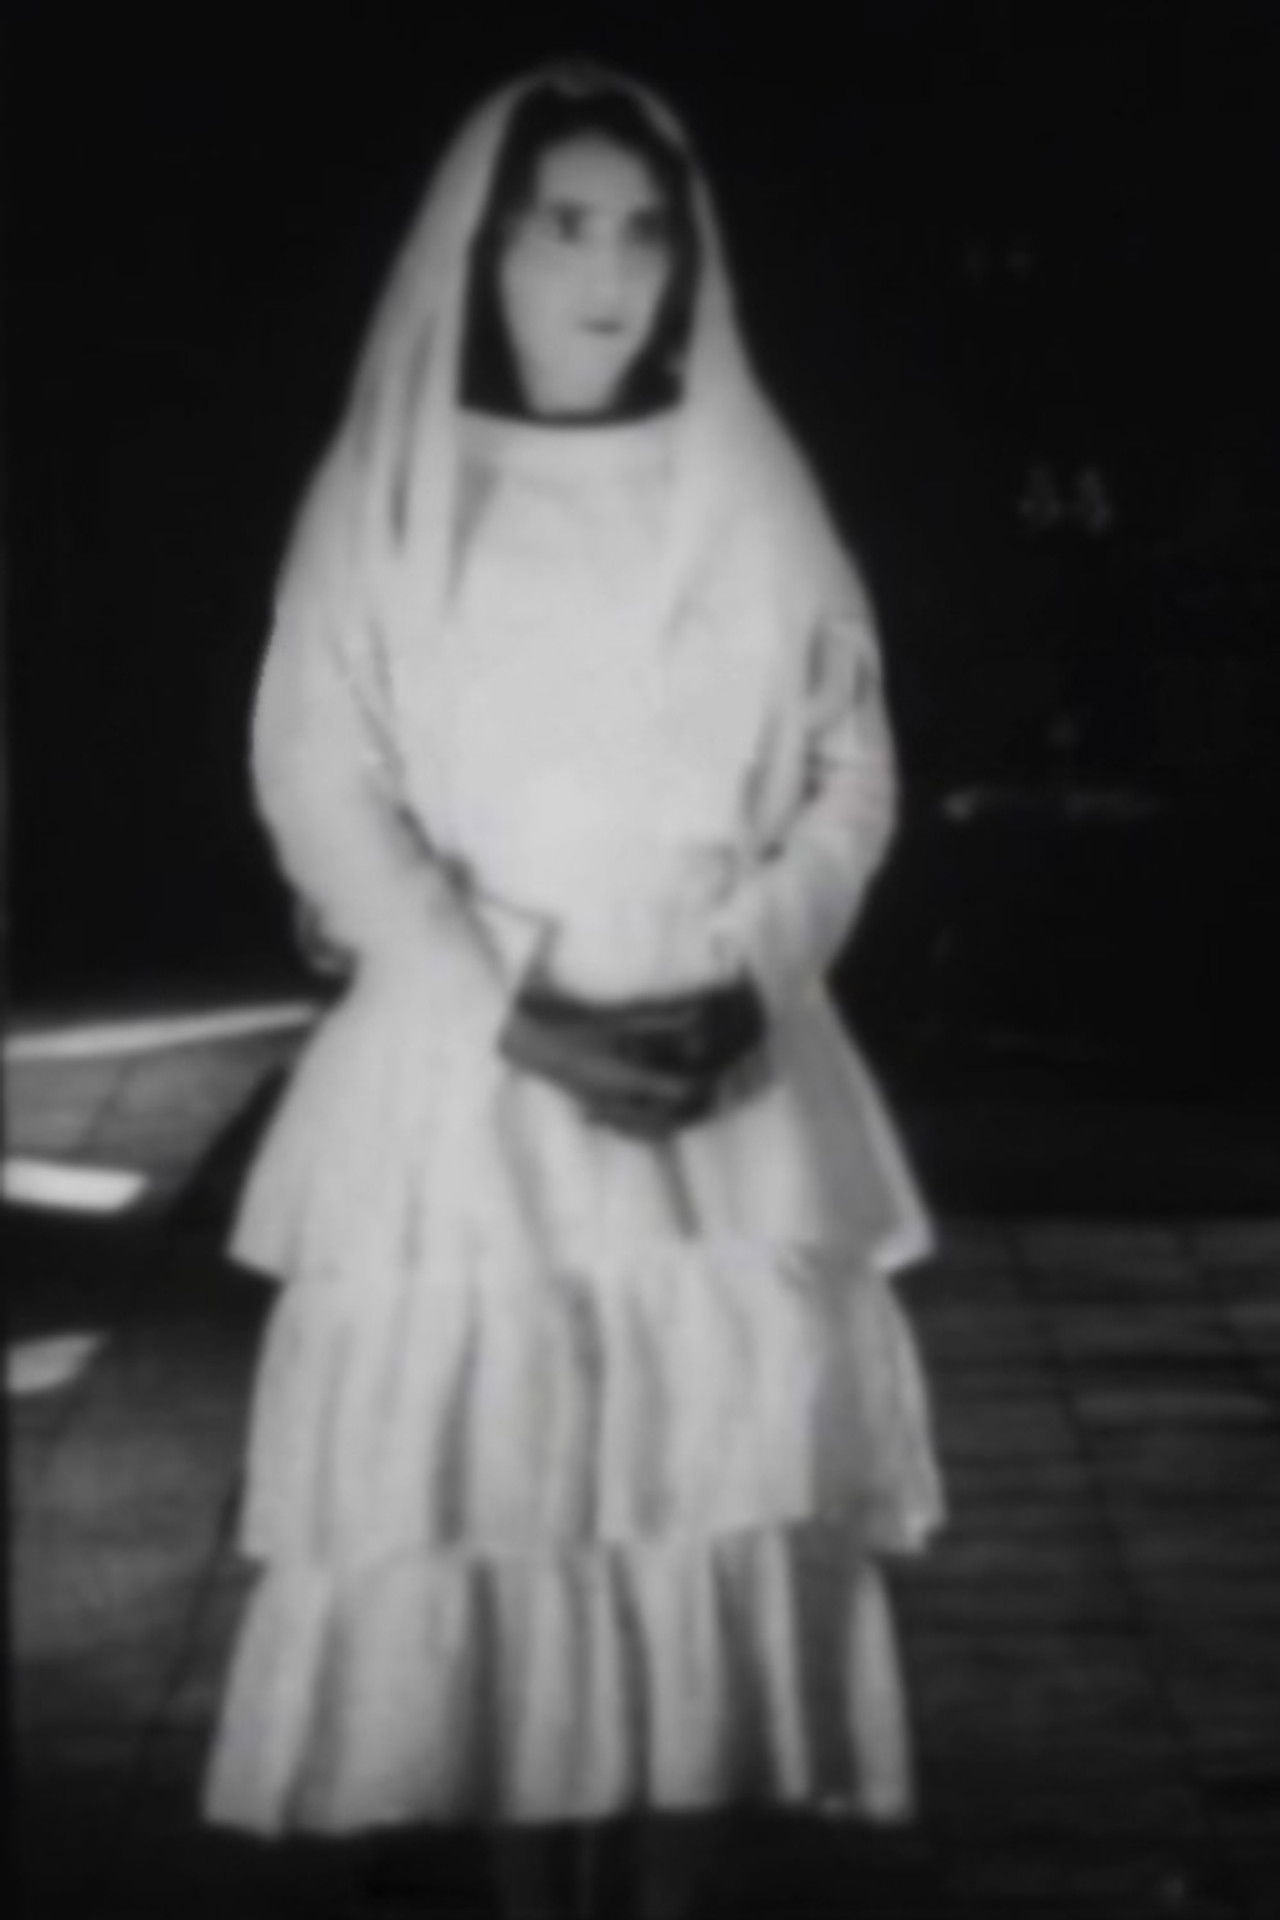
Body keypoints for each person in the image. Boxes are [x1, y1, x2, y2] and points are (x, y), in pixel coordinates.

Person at [201, 59, 945, 1920]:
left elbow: (851, 769)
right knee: (510, 1513)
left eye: (644, 233)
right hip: (476, 1089)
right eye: (563, 229)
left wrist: (752, 976)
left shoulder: (749, 486)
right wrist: (513, 1016)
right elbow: (317, 775)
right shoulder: (392, 496)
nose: (607, 274)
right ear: (488, 252)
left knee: (706, 1510)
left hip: (719, 1086)